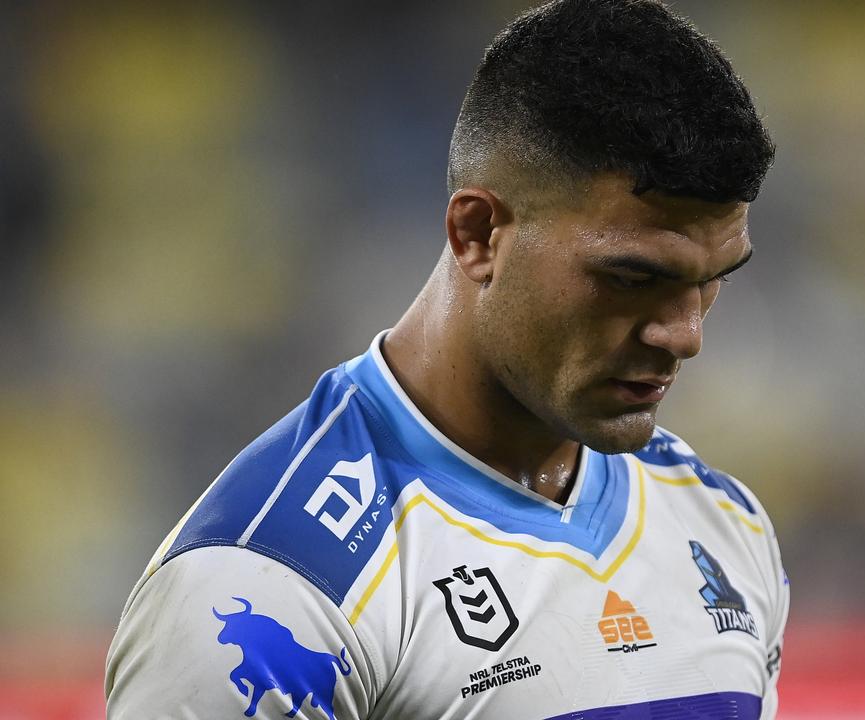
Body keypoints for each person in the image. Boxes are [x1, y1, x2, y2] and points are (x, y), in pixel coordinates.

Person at [105, 0, 788, 717]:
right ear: (478, 233)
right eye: (633, 278)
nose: (684, 335)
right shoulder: (276, 583)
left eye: (713, 279)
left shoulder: (723, 524)